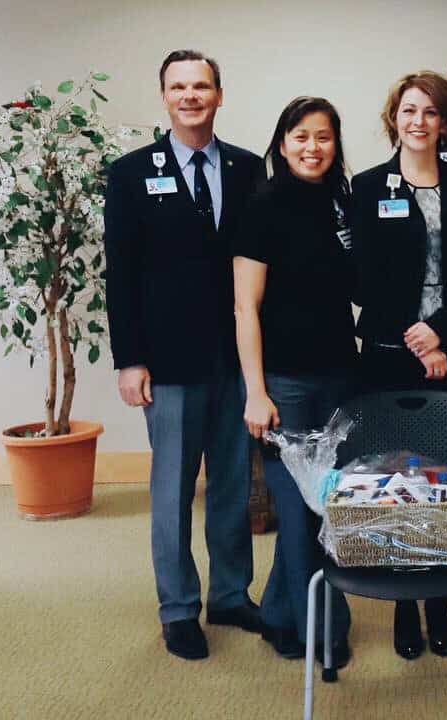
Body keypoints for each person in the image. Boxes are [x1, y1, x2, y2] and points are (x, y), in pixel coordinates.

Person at [104, 49, 265, 660]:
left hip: (234, 358)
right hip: (167, 362)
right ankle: (177, 608)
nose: (191, 96)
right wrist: (130, 358)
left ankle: (229, 593)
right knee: (173, 488)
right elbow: (121, 274)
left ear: (220, 95)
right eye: (179, 87)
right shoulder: (130, 174)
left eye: (202, 86)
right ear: (164, 97)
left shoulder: (251, 169)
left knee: (231, 483)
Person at [349, 71, 447, 660]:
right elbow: (365, 278)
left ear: (445, 122)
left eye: (431, 112)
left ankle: (439, 596)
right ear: (394, 117)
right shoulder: (367, 185)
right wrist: (418, 336)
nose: (418, 122)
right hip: (391, 351)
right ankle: (404, 601)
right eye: (409, 110)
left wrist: (441, 332)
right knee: (398, 475)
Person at [232, 96, 358, 668]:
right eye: (301, 136)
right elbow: (244, 309)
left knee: (326, 504)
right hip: (284, 384)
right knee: (299, 507)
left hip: (339, 376)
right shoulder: (261, 204)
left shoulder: (342, 204)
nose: (313, 147)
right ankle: (321, 633)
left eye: (324, 137)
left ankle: (281, 613)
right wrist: (256, 392)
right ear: (282, 143)